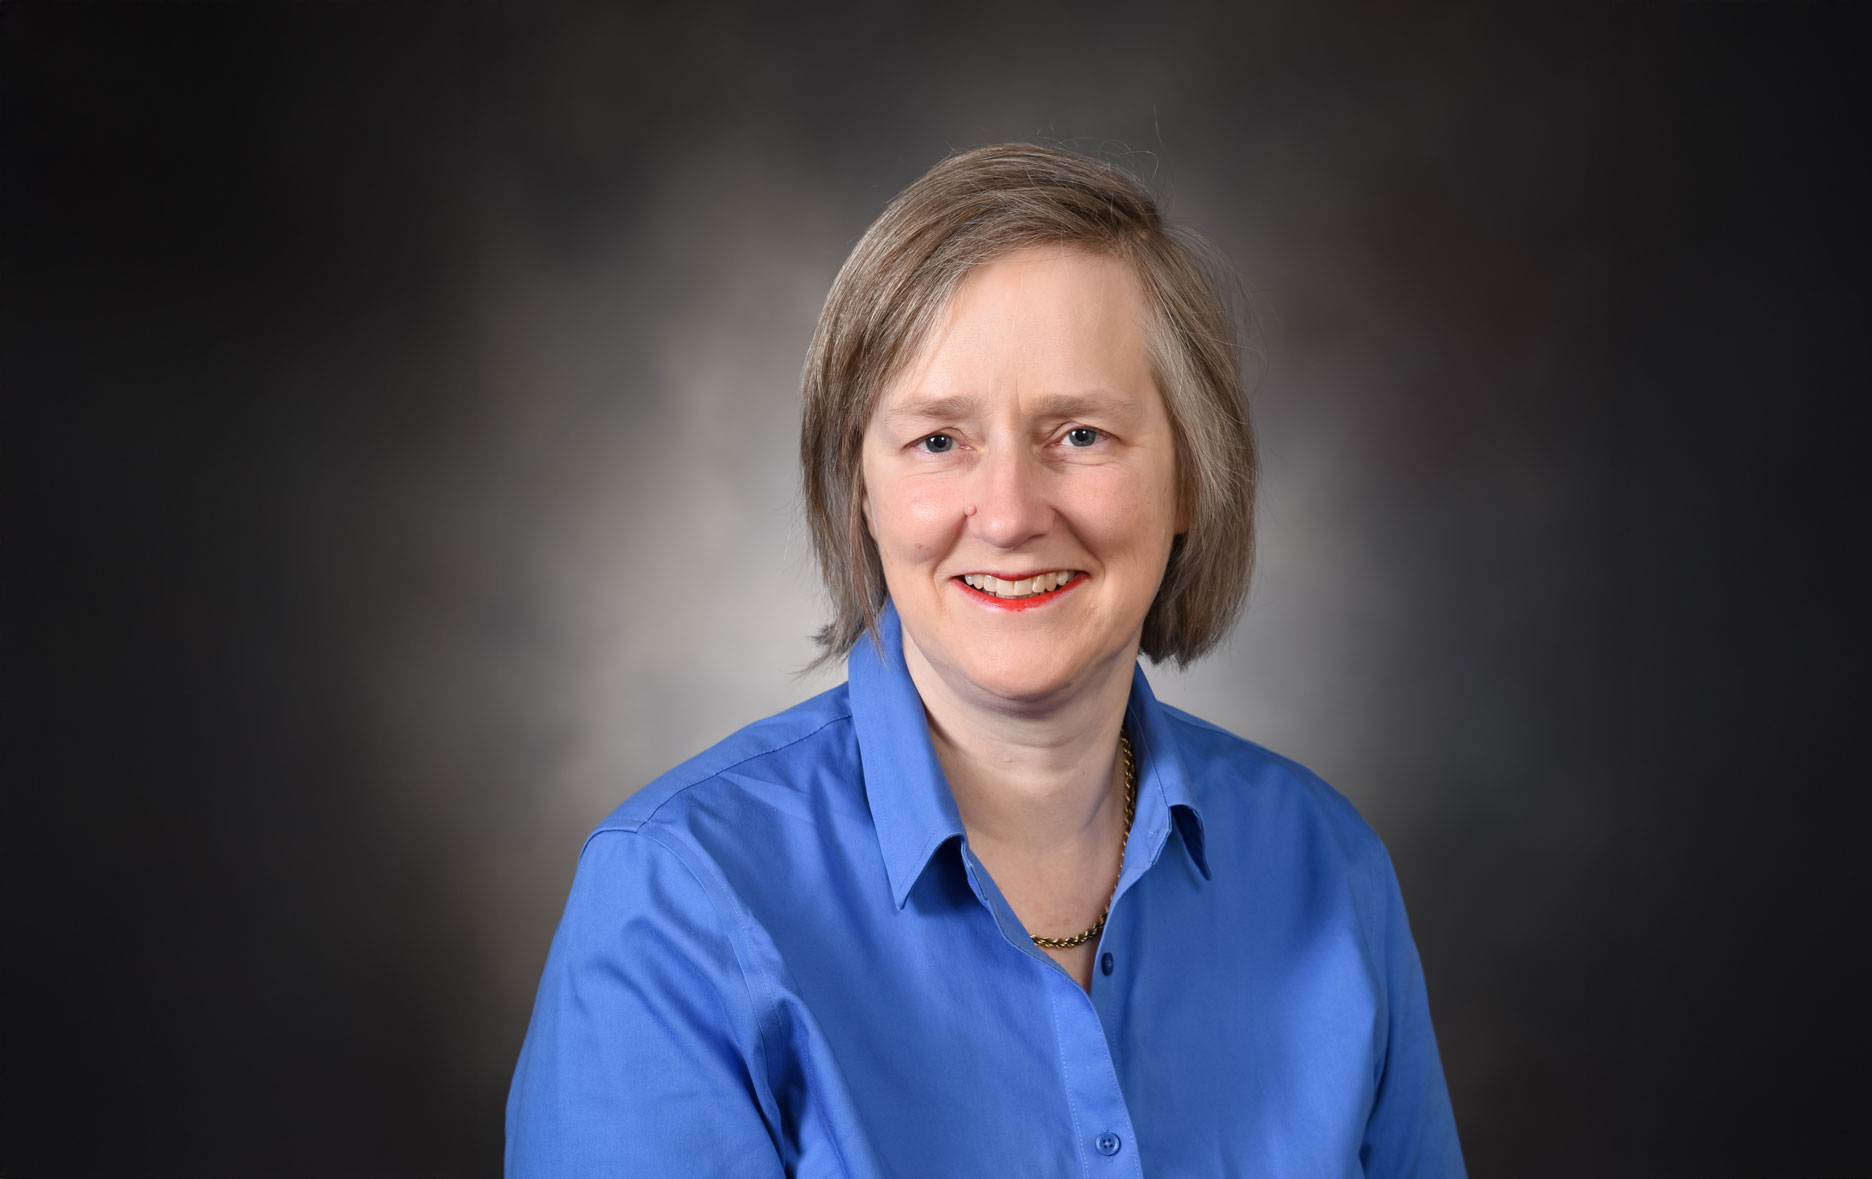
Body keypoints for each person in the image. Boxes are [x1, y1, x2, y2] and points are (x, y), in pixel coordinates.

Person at [506, 143, 1464, 1177]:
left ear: (1191, 477)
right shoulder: (678, 896)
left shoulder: (1326, 870)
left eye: (1081, 435)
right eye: (937, 442)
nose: (1007, 515)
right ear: (858, 489)